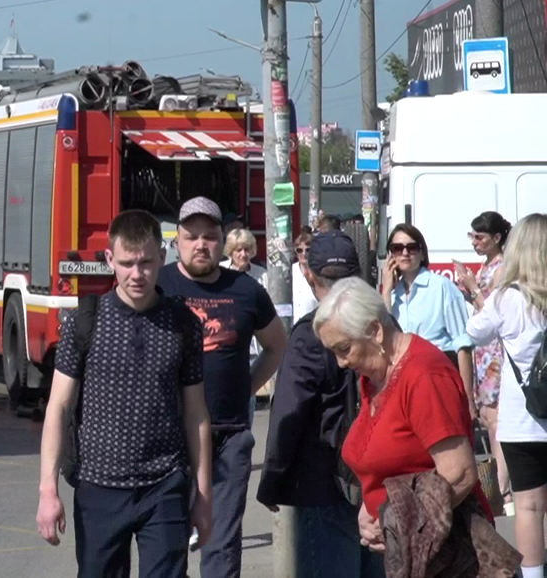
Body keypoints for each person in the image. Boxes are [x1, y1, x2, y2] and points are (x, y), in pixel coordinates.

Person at [37, 209, 212, 578]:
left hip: (164, 488)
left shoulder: (183, 325)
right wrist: (47, 491)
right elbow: (57, 407)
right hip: (99, 489)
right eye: (127, 263)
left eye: (147, 262)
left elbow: (196, 413)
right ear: (109, 260)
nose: (137, 274)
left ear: (162, 258)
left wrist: (203, 497)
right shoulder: (86, 321)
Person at [312, 277, 490, 557]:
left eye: (344, 348)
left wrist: (397, 523)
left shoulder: (423, 376)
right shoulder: (377, 376)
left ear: (375, 330)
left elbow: (459, 473)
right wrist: (368, 510)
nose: (341, 362)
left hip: (448, 554)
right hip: (409, 551)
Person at [157, 197, 286, 578]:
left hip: (229, 436)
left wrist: (245, 389)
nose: (200, 244)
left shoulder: (246, 291)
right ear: (177, 241)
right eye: (191, 236)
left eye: (209, 237)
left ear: (222, 241)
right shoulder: (160, 287)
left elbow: (277, 346)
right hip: (171, 438)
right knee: (167, 544)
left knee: (222, 545)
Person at [257, 231, 384, 578]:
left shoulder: (310, 335)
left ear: (308, 274)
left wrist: (273, 480)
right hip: (378, 477)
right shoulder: (381, 325)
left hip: (322, 480)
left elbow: (289, 412)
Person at [467, 213, 547, 578]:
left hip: (521, 422)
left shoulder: (506, 299)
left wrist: (479, 295)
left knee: (529, 506)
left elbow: (474, 332)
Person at [453, 210, 514, 515]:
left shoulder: (502, 267)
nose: (475, 242)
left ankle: (502, 490)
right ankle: (501, 489)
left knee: (495, 419)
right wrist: (468, 290)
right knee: (490, 418)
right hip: (484, 349)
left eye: (480, 237)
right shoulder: (488, 264)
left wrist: (473, 288)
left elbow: (494, 312)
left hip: (495, 351)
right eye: (472, 236)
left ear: (497, 238)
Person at [380, 223, 476, 417]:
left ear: (422, 253)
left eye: (412, 247)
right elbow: (383, 336)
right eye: (397, 248)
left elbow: (462, 344)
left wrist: (468, 399)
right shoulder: (391, 293)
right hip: (400, 382)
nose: (405, 253)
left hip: (436, 376)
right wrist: (386, 291)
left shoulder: (441, 287)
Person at [292, 230, 319, 320]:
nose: (304, 254)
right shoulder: (289, 271)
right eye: (299, 250)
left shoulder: (319, 272)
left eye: (308, 250)